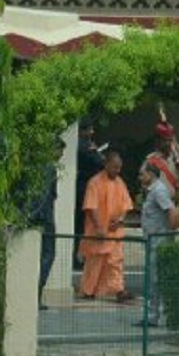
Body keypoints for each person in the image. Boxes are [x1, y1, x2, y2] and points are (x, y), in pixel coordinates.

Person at [78, 152, 134, 302]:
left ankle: (119, 291)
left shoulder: (120, 182)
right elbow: (91, 207)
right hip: (98, 233)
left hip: (115, 232)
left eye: (119, 168)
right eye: (115, 167)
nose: (117, 171)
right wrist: (98, 227)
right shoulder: (94, 182)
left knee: (115, 262)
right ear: (106, 165)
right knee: (94, 263)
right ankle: (89, 291)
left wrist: (121, 220)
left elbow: (126, 205)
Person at [136, 163, 179, 328]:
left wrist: (171, 233)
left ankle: (154, 316)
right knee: (153, 279)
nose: (140, 178)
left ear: (150, 175)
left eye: (142, 174)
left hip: (158, 241)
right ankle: (154, 315)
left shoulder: (158, 191)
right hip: (153, 240)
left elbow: (172, 211)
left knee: (155, 279)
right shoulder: (152, 191)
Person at [30, 139, 67, 310]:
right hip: (44, 218)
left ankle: (34, 293)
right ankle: (35, 293)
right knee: (47, 255)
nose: (61, 155)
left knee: (40, 257)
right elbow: (45, 195)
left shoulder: (34, 165)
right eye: (60, 151)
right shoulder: (47, 168)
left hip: (37, 217)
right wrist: (36, 214)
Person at [74, 117, 105, 269]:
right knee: (84, 223)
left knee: (81, 223)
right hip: (85, 188)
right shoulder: (84, 147)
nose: (92, 132)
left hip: (82, 186)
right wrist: (97, 153)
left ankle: (79, 255)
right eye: (89, 129)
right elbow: (100, 163)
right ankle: (80, 256)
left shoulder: (81, 145)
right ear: (82, 131)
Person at [143, 119, 179, 199]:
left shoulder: (176, 159)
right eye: (165, 140)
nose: (168, 144)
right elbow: (146, 188)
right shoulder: (151, 160)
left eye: (170, 140)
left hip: (173, 205)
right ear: (158, 141)